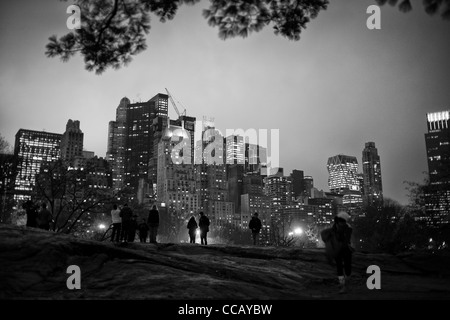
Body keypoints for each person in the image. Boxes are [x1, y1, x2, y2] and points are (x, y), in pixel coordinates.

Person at [330, 211, 353, 294]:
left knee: (347, 267)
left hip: (345, 248)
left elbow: (346, 240)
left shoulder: (348, 228)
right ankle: (343, 285)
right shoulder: (335, 227)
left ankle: (346, 284)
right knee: (339, 267)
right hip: (337, 249)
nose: (340, 223)